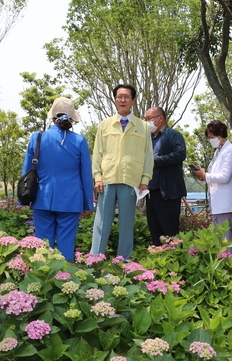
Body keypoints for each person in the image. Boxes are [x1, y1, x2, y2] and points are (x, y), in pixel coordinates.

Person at [21, 97, 94, 261]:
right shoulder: (79, 141)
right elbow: (86, 175)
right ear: (72, 118)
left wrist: (23, 199)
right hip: (70, 200)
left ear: (53, 117)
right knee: (66, 244)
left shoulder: (36, 138)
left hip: (42, 198)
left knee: (43, 244)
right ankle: (65, 279)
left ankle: (44, 278)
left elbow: (27, 170)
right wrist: (88, 203)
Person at [90, 84, 153, 259]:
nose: (122, 100)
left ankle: (123, 260)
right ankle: (95, 258)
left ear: (133, 100)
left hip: (131, 179)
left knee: (127, 222)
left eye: (126, 97)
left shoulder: (143, 127)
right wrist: (97, 177)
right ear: (115, 100)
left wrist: (145, 179)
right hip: (107, 179)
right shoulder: (104, 125)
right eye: (119, 96)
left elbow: (148, 155)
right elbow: (97, 153)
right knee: (101, 222)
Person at [144, 106, 187, 246]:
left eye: (149, 118)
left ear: (160, 118)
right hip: (151, 192)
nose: (147, 122)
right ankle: (158, 264)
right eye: (146, 119)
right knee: (155, 232)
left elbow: (180, 154)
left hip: (168, 192)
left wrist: (156, 162)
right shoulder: (148, 138)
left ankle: (174, 263)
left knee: (169, 233)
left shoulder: (173, 135)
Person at [192, 120, 232, 248]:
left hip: (225, 202)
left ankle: (229, 261)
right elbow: (215, 172)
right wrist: (203, 174)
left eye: (212, 137)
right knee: (217, 238)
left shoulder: (230, 151)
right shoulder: (219, 150)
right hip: (218, 202)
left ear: (220, 135)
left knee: (225, 239)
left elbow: (225, 176)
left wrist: (205, 176)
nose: (211, 140)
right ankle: (220, 263)